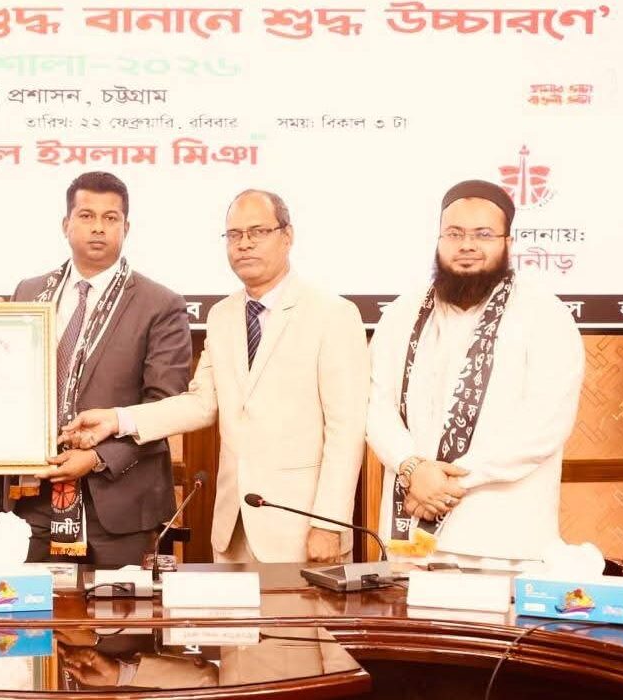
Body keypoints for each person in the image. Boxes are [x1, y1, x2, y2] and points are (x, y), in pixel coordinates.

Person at [61, 189, 369, 564]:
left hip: (302, 527)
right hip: (233, 525)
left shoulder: (333, 314)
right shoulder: (222, 315)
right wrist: (117, 419)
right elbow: (201, 404)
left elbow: (346, 431)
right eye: (234, 235)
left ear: (287, 236)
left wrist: (329, 523)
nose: (244, 244)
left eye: (258, 232)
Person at [366, 180, 583, 567]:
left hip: (502, 541)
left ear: (508, 243)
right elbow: (374, 404)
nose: (467, 245)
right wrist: (411, 467)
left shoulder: (545, 314)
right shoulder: (401, 312)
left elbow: (544, 425)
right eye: (454, 234)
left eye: (483, 234)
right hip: (410, 537)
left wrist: (448, 483)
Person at [9, 171, 192, 567]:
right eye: (86, 215)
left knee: (120, 609)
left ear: (126, 227)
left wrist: (96, 457)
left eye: (111, 218)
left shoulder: (160, 304)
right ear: (66, 224)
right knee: (27, 607)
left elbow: (163, 406)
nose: (98, 227)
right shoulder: (29, 292)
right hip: (36, 498)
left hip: (120, 505)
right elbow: (8, 387)